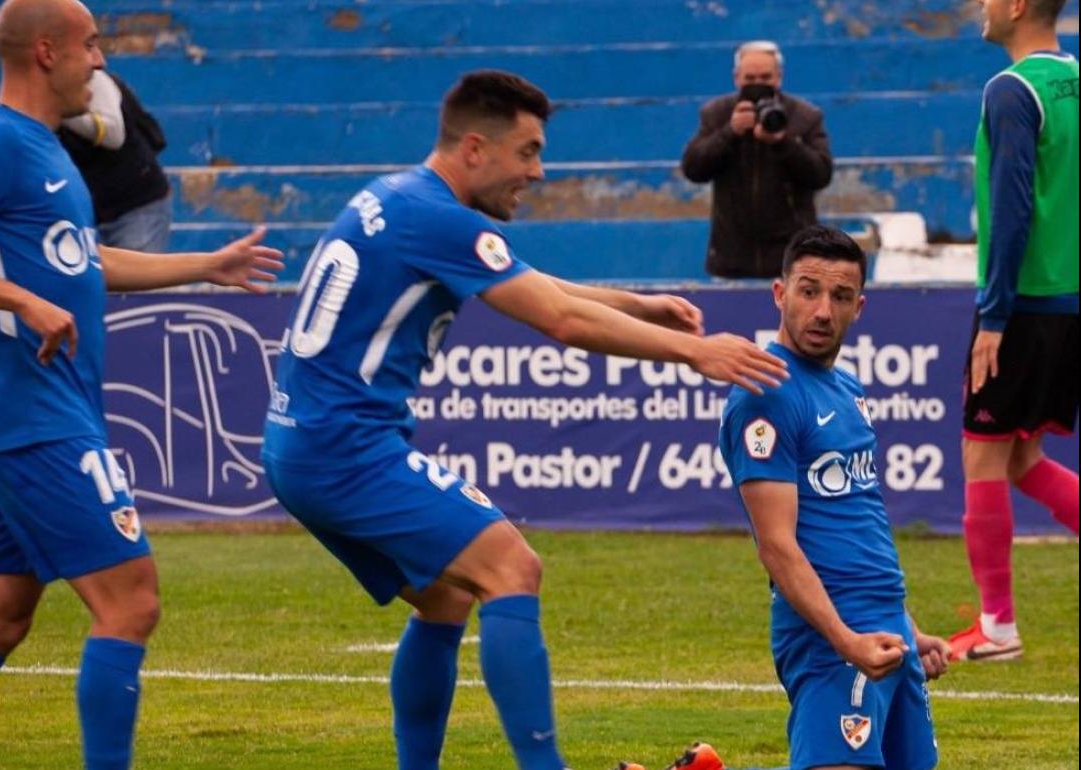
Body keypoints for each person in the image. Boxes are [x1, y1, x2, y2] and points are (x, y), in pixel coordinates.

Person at [263, 69, 789, 770]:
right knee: (514, 568)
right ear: (475, 148)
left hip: (303, 444)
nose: (537, 173)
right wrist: (694, 351)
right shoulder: (440, 217)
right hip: (344, 449)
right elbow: (560, 319)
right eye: (528, 152)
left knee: (447, 598)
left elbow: (525, 279)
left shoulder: (400, 197)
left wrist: (636, 305)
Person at [0, 2, 284, 768]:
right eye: (92, 45)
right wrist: (21, 300)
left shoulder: (45, 152)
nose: (100, 62)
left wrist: (203, 267)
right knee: (131, 603)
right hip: (35, 416)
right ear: (45, 52)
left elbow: (86, 262)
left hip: (45, 414)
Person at [718, 225, 950, 770]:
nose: (823, 311)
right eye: (808, 291)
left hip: (884, 628)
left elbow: (856, 523)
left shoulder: (848, 388)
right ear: (780, 294)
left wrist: (906, 627)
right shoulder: (766, 393)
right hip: (831, 636)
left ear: (859, 307)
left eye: (840, 297)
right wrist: (845, 641)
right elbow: (776, 546)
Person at [949, 0, 1079, 662]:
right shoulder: (1076, 79)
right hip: (1069, 301)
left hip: (1023, 304)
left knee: (982, 453)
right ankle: (996, 623)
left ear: (1018, 5)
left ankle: (997, 626)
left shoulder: (1011, 88)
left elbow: (1012, 204)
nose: (979, 5)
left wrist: (993, 318)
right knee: (1020, 458)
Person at [681, 41, 833, 279]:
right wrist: (729, 133)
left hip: (792, 256)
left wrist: (783, 143)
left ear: (779, 77)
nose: (757, 85)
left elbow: (821, 174)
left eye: (765, 77)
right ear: (736, 78)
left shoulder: (805, 116)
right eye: (749, 78)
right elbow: (693, 168)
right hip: (730, 256)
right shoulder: (716, 113)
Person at [59, 67, 172, 252]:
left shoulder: (93, 78)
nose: (98, 59)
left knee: (134, 277)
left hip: (135, 204)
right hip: (89, 212)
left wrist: (60, 115)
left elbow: (114, 134)